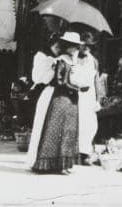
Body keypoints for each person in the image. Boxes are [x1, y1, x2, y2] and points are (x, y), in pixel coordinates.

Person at [26, 32, 88, 174]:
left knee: (68, 130)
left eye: (77, 47)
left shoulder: (74, 62)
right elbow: (61, 82)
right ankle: (46, 163)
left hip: (70, 100)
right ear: (68, 47)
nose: (76, 50)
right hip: (58, 97)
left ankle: (62, 164)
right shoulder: (60, 60)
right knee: (54, 129)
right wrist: (77, 87)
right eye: (74, 47)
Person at [75, 35, 100, 162]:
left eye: (88, 46)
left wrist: (99, 99)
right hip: (75, 94)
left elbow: (97, 81)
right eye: (83, 45)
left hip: (89, 96)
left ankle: (85, 153)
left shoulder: (93, 61)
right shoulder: (72, 58)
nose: (85, 48)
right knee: (76, 123)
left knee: (89, 125)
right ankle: (74, 153)